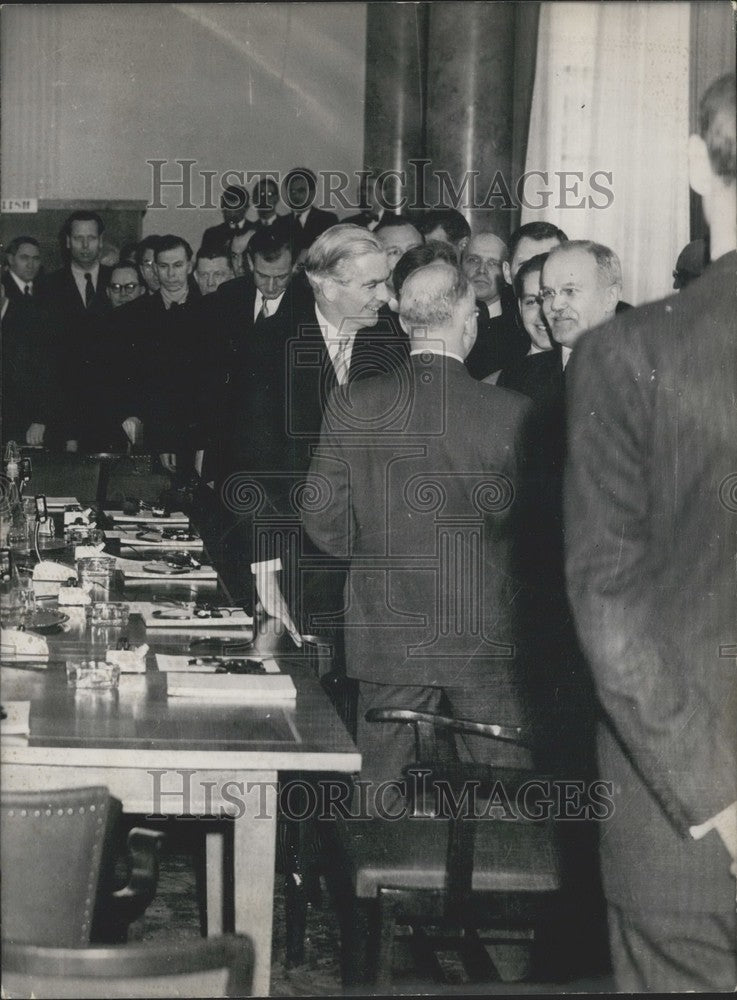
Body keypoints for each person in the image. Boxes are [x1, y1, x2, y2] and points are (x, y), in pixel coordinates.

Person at [564, 73, 737, 991]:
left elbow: (609, 603)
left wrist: (716, 795)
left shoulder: (627, 352)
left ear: (692, 170)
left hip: (683, 810)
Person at [304, 261, 533, 803]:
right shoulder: (514, 412)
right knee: (506, 797)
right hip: (488, 632)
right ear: (468, 319)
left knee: (377, 797)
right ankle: (504, 888)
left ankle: (375, 885)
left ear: (405, 325)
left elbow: (320, 513)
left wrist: (376, 559)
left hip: (387, 628)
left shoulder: (355, 402)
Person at [40, 210, 113, 451]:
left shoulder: (120, 281)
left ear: (101, 241)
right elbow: (44, 357)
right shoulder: (48, 287)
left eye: (91, 238)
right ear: (68, 241)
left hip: (109, 411)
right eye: (78, 238)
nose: (85, 244)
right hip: (63, 410)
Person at [465, 221, 568, 382]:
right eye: (526, 265)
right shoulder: (482, 344)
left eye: (549, 263)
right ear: (507, 272)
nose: (538, 276)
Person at [540, 240, 621, 367]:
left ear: (610, 298)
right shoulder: (516, 376)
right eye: (548, 293)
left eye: (569, 291)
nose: (555, 305)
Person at [283, 167, 338, 251]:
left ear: (312, 193)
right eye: (292, 191)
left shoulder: (327, 221)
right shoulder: (280, 223)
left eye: (301, 191)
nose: (295, 196)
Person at [200, 184, 252, 253]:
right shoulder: (211, 234)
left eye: (236, 206)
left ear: (246, 207)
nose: (231, 211)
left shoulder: (257, 232)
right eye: (228, 206)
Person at [3, 236, 43, 302]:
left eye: (35, 258)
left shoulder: (48, 289)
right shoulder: (3, 290)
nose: (30, 265)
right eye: (24, 258)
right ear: (11, 259)